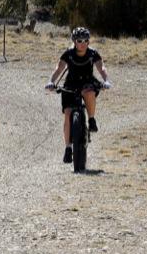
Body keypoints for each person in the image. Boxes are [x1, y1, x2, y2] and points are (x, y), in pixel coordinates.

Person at [45, 27, 111, 163]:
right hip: (71, 84)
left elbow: (101, 67)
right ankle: (68, 148)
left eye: (86, 40)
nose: (83, 43)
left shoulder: (93, 54)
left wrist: (106, 80)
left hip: (87, 82)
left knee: (90, 92)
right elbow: (59, 69)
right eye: (79, 40)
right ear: (74, 41)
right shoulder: (68, 54)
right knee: (68, 113)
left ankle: (91, 119)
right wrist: (51, 82)